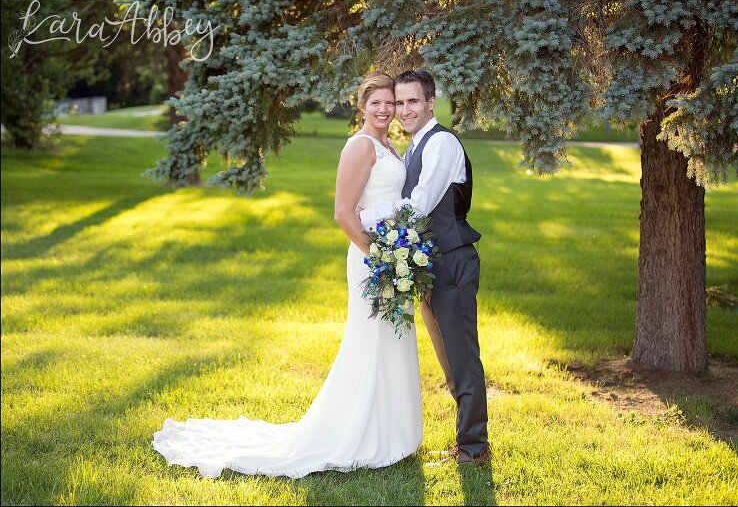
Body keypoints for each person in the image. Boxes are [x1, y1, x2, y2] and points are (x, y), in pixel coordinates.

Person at [151, 72, 422, 479]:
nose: (385, 110)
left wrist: (399, 250)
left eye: (392, 103)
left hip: (391, 255)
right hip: (373, 259)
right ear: (361, 107)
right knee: (370, 341)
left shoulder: (388, 145)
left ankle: (393, 435)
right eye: (377, 103)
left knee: (392, 339)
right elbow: (343, 214)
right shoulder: (360, 146)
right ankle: (359, 435)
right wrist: (380, 257)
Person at [359, 70, 489, 465]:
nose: (403, 110)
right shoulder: (415, 147)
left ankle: (473, 449)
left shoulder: (442, 144)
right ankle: (467, 441)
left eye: (412, 101)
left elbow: (419, 206)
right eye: (399, 103)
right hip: (433, 265)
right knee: (448, 357)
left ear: (431, 102)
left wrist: (367, 216)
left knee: (462, 357)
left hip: (453, 262)